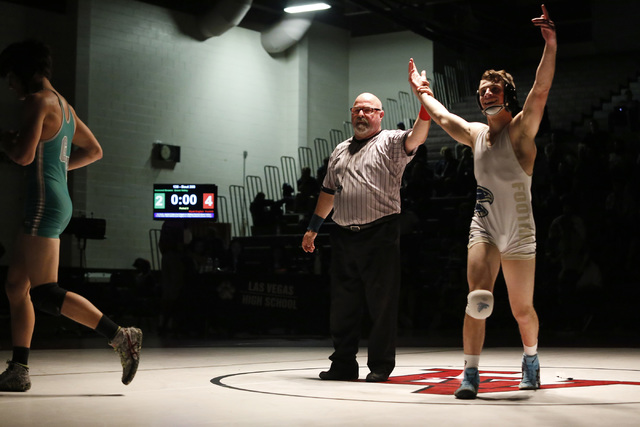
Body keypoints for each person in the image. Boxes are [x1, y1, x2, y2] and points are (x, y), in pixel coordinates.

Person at [409, 4, 556, 398]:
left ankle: (531, 359)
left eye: (491, 88)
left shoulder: (522, 132)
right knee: (478, 298)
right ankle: (470, 374)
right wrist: (422, 92)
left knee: (521, 310)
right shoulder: (476, 134)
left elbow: (540, 90)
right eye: (480, 91)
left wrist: (551, 45)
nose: (485, 93)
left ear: (507, 94)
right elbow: (441, 118)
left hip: (520, 233)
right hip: (485, 226)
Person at [0, 40, 142, 392]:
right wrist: (60, 169)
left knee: (46, 292)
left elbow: (21, 156)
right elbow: (94, 150)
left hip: (43, 203)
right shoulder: (62, 105)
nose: (9, 85)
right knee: (17, 286)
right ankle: (19, 368)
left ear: (25, 73)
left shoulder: (37, 102)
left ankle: (120, 335)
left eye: (10, 77)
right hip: (54, 197)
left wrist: (4, 139)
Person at [301, 88, 432, 382]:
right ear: (351, 114)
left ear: (380, 115)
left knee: (382, 304)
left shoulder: (391, 141)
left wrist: (424, 102)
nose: (361, 114)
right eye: (357, 109)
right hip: (344, 235)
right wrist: (313, 227)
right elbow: (327, 192)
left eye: (368, 110)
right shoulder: (339, 150)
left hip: (381, 233)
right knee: (342, 305)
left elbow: (419, 136)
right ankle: (343, 364)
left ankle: (381, 365)